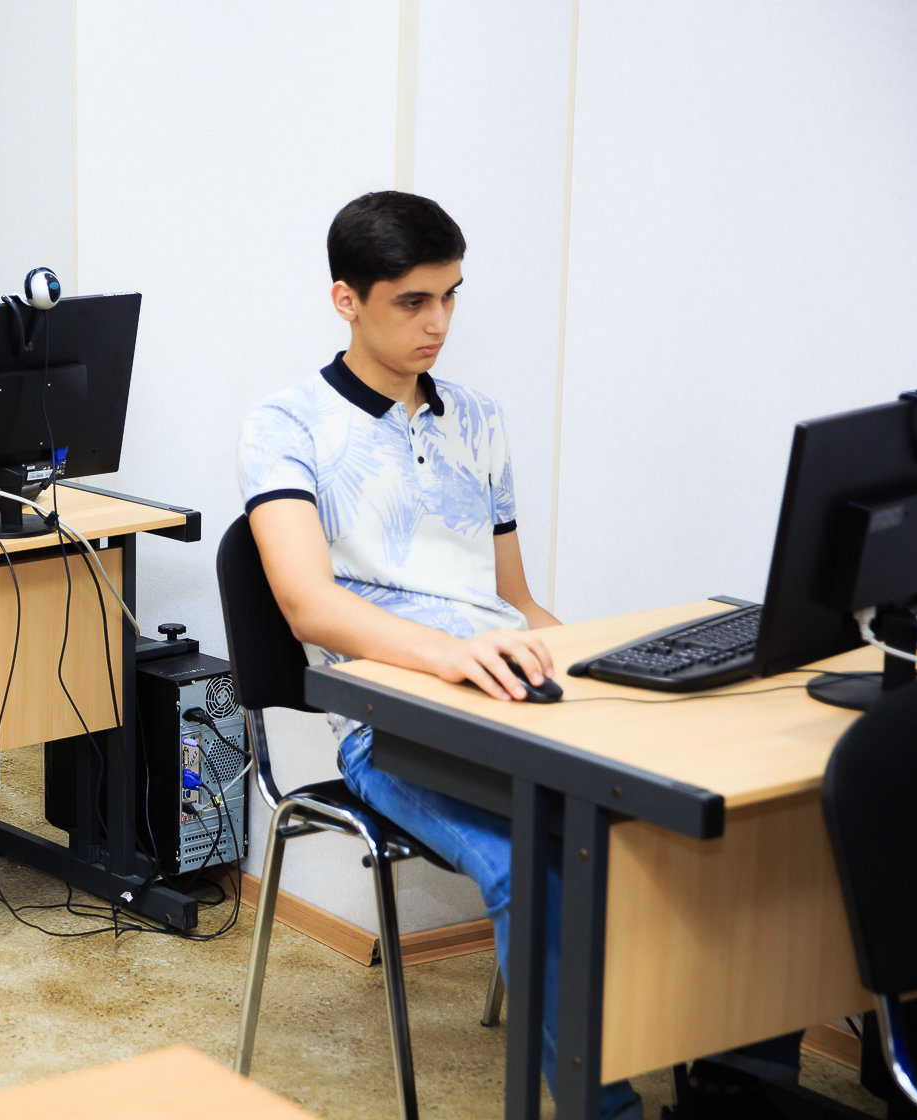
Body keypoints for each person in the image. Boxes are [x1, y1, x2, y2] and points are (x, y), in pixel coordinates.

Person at [237, 191, 798, 1118]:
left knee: (727, 825)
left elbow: (514, 598)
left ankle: (740, 1090)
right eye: (413, 301)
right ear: (346, 301)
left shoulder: (479, 419)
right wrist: (449, 658)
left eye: (451, 296)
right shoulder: (285, 424)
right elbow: (310, 605)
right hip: (388, 723)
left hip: (507, 691)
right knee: (531, 865)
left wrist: (586, 665)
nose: (439, 322)